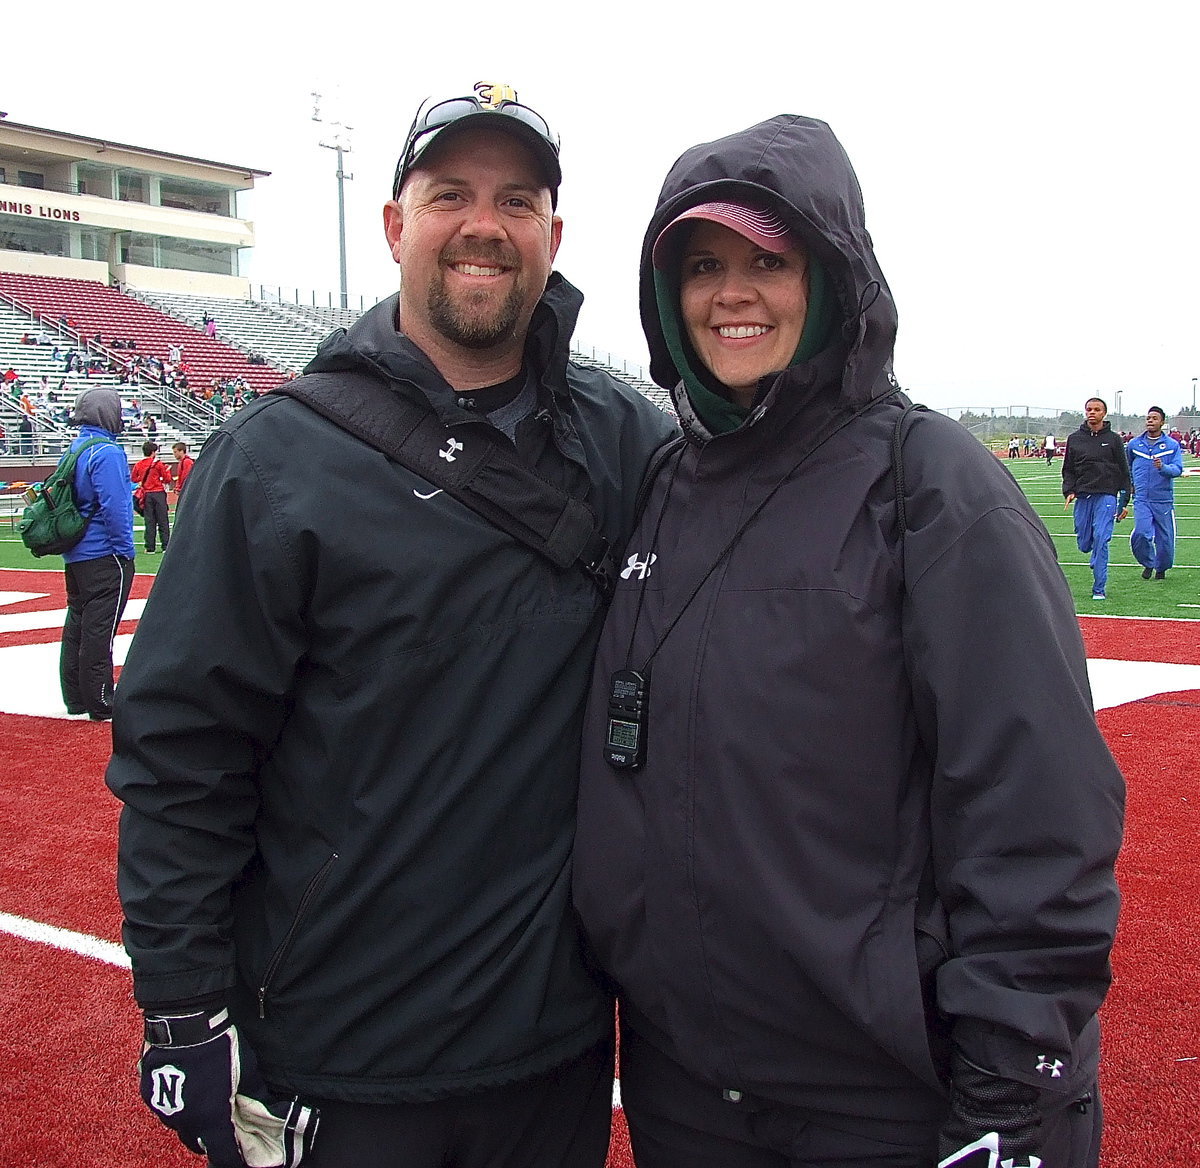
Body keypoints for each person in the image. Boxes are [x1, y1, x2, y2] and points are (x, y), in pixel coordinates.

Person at [106, 81, 678, 1168]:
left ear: (553, 236)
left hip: (553, 1050)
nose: (484, 225)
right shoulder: (274, 462)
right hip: (340, 1054)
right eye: (449, 192)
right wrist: (183, 1005)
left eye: (517, 202)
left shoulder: (625, 444)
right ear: (394, 225)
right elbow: (182, 755)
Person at [571, 115, 1125, 1168]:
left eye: (768, 261)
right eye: (702, 265)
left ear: (834, 277)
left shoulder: (934, 487)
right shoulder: (661, 485)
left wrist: (1014, 1093)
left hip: (880, 1101)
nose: (732, 294)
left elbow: (1037, 813)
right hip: (687, 1089)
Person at [59, 388, 135, 720]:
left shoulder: (74, 449)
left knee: (77, 622)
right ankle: (101, 698)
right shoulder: (106, 452)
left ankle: (75, 696)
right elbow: (116, 507)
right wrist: (125, 550)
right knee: (99, 629)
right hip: (104, 554)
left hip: (75, 554)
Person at [1062, 397, 1132, 600]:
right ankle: (1094, 554)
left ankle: (1099, 588)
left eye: (1097, 409)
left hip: (1107, 496)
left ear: (1104, 413)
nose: (1092, 412)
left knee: (1101, 538)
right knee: (1085, 544)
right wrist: (1069, 491)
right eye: (1089, 409)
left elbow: (1123, 470)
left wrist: (1123, 501)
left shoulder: (1113, 439)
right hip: (1084, 496)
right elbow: (1068, 469)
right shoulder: (1074, 439)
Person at [1127, 405, 1183, 580]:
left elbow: (1178, 469)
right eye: (1148, 418)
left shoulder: (1172, 445)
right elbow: (1127, 466)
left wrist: (1163, 468)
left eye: (1154, 418)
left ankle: (1161, 568)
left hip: (1163, 499)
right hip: (1142, 498)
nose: (1150, 421)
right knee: (1141, 533)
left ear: (1162, 422)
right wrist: (1129, 484)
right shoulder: (1135, 444)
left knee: (1165, 540)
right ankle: (1148, 562)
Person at [131, 440, 173, 553]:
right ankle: (166, 546)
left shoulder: (138, 464)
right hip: (158, 493)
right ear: (153, 452)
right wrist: (167, 471)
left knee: (149, 522)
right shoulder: (158, 464)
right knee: (163, 521)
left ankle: (150, 547)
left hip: (146, 495)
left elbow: (134, 478)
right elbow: (167, 479)